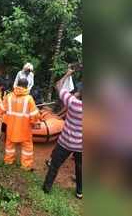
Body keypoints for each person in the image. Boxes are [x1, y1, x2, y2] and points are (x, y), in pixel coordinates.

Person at [42, 69, 83, 199]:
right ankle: (79, 191)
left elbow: (58, 85)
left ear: (80, 93)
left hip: (66, 142)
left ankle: (47, 188)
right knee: (80, 166)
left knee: (54, 165)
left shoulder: (73, 103)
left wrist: (68, 73)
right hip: (81, 144)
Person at [1, 78, 40, 170]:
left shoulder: (9, 96)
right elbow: (34, 115)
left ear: (17, 84)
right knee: (27, 146)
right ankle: (26, 165)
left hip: (11, 127)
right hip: (24, 128)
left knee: (9, 144)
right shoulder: (29, 99)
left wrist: (5, 120)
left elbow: (3, 109)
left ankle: (8, 161)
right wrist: (34, 123)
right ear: (26, 86)